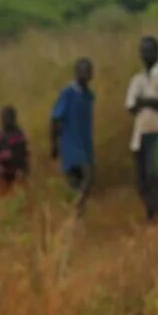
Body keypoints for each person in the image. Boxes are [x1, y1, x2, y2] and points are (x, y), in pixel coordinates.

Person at [124, 36, 158, 222]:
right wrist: (149, 101)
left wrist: (143, 101)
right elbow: (131, 106)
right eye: (143, 50)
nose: (145, 53)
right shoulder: (137, 79)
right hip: (140, 133)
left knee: (153, 176)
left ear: (156, 51)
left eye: (149, 50)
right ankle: (151, 212)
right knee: (141, 180)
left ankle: (155, 216)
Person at [50, 58, 96, 209]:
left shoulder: (89, 96)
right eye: (82, 70)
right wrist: (54, 145)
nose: (85, 73)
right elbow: (56, 119)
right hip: (70, 145)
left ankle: (76, 216)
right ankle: (76, 209)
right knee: (85, 177)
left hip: (85, 144)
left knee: (78, 185)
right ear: (76, 72)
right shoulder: (68, 92)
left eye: (87, 70)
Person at [0, 106, 30, 196]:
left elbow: (23, 153)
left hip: (18, 170)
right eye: (4, 117)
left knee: (21, 197)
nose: (6, 120)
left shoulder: (19, 134)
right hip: (3, 171)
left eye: (7, 117)